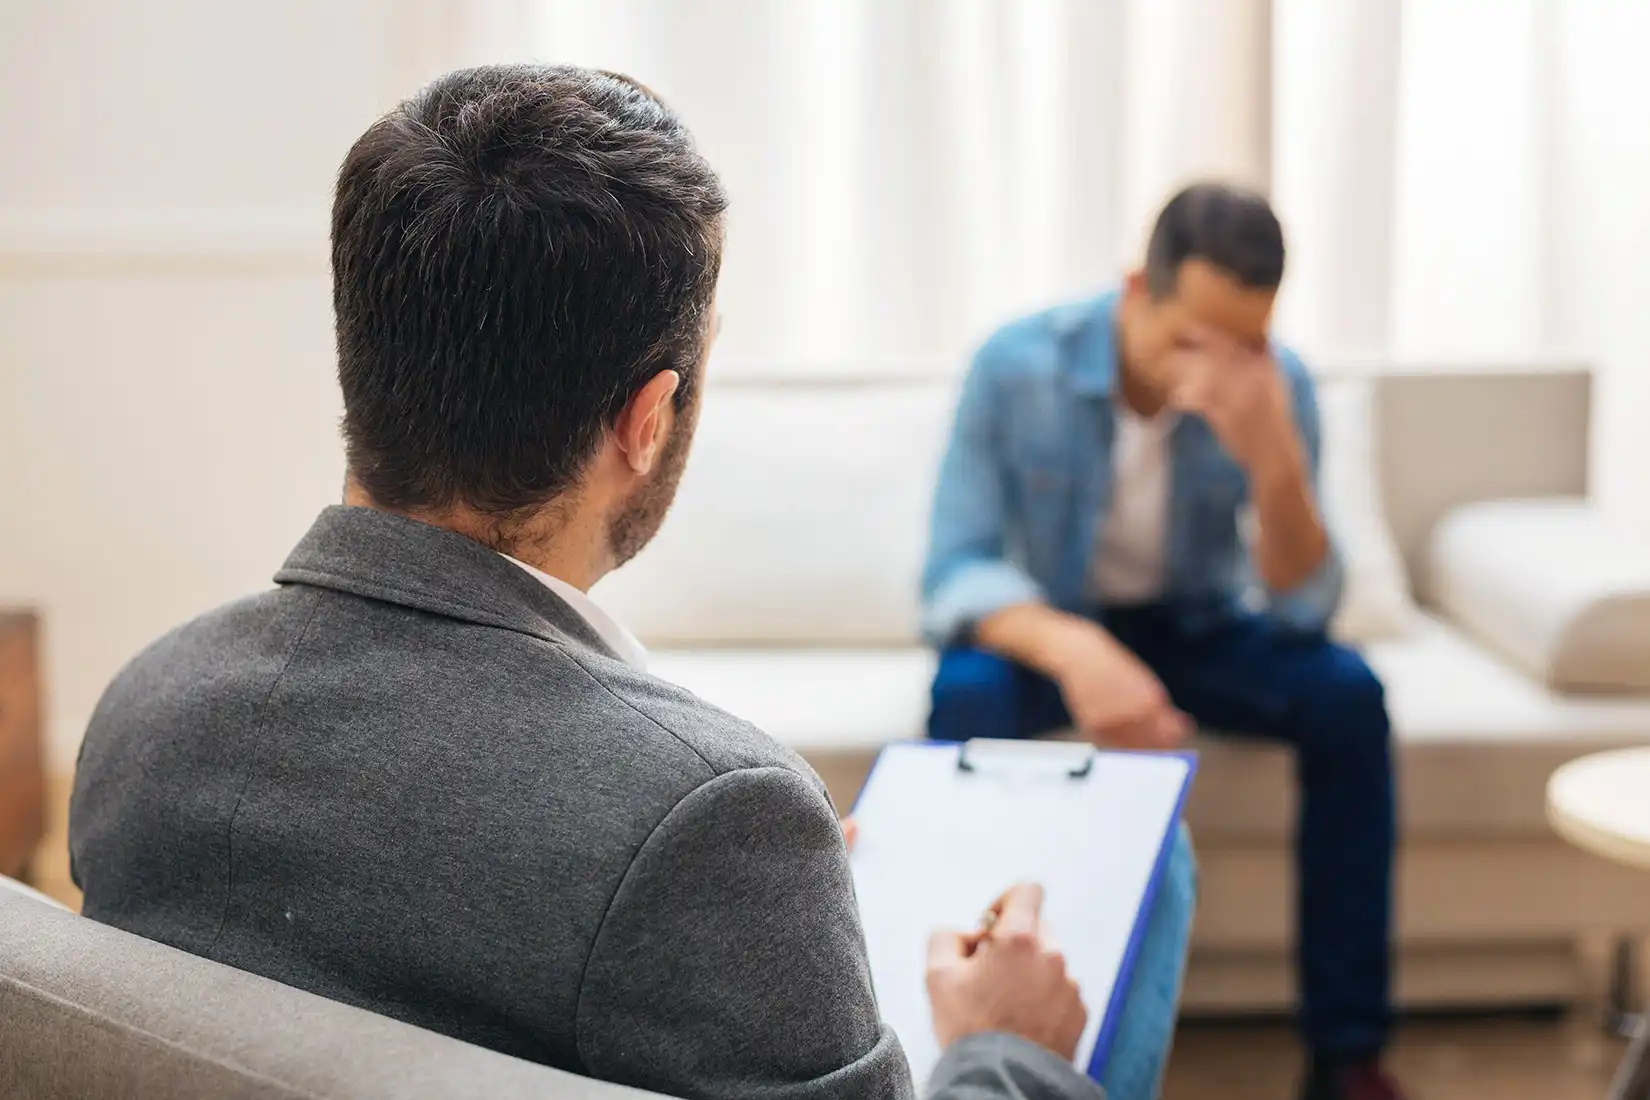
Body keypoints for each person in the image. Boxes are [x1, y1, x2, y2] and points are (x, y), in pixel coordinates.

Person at [69, 65, 1184, 1100]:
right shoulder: (715, 817)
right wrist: (1007, 1048)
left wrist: (761, 911)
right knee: (1151, 877)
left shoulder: (142, 709)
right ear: (647, 420)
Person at [921, 182, 1403, 1100]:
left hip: (1196, 626)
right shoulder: (1016, 364)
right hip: (1054, 624)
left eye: (1246, 344)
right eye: (1191, 339)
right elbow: (956, 570)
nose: (1214, 368)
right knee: (966, 695)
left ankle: (1348, 1053)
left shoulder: (1278, 385)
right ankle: (947, 1014)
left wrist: (1273, 459)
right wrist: (1081, 654)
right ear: (1139, 287)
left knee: (1348, 696)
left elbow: (1305, 611)